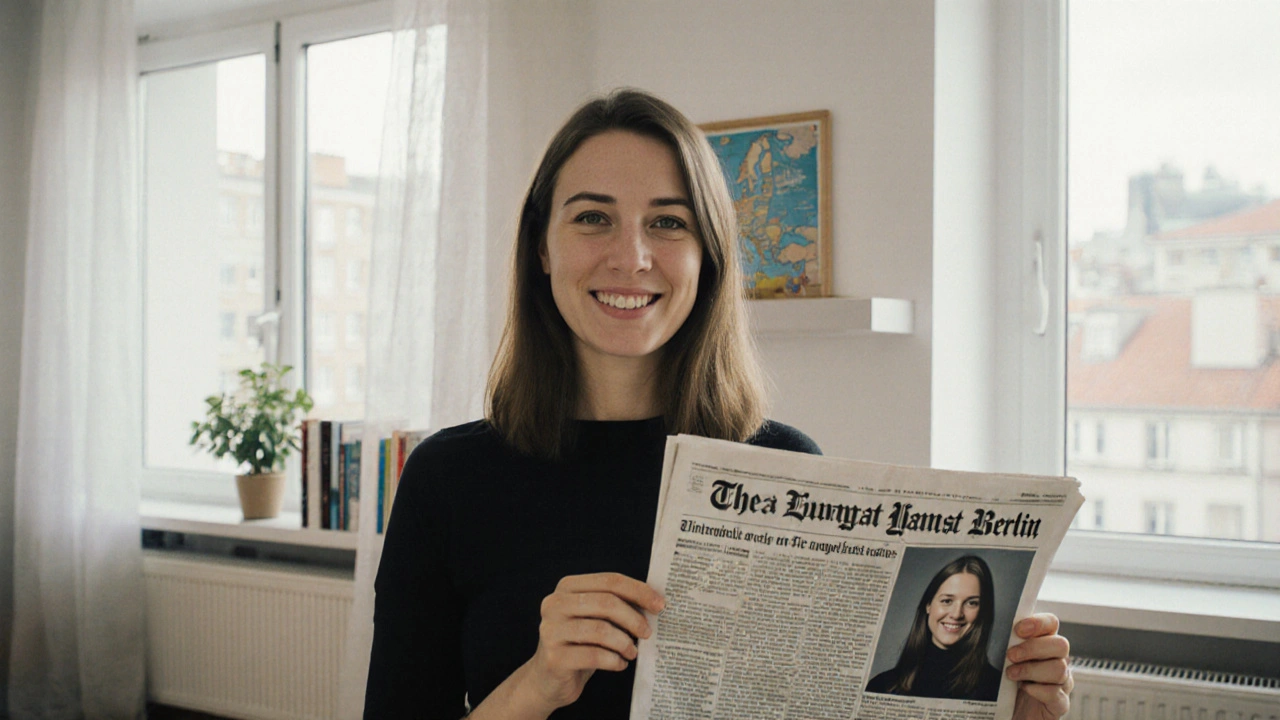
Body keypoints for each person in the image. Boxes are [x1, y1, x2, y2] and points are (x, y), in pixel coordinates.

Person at [363, 89, 1073, 720]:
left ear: (708, 257)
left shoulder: (785, 466)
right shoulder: (446, 479)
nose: (632, 256)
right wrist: (537, 687)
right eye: (592, 219)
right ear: (542, 248)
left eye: (668, 224)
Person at [866, 555, 1004, 700]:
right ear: (928, 605)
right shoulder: (881, 685)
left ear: (983, 611)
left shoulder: (997, 688)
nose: (956, 614)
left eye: (971, 603)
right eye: (947, 601)